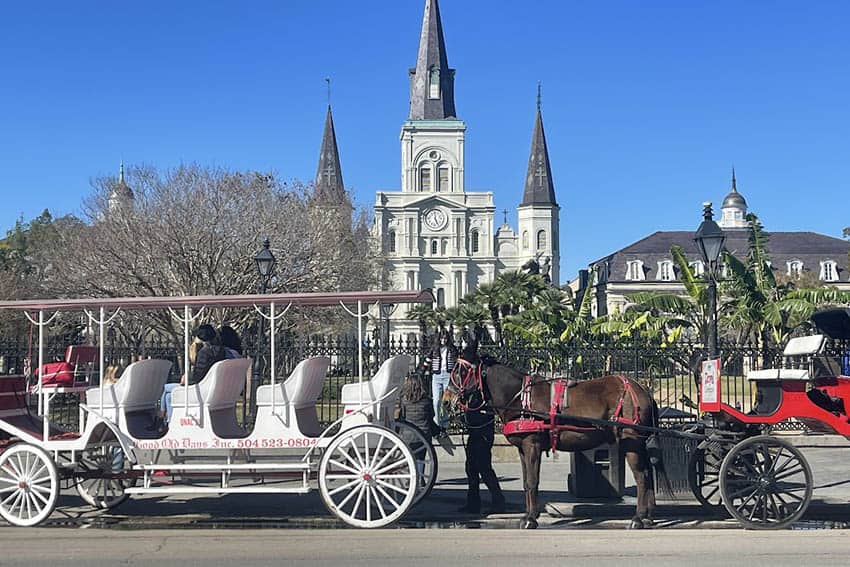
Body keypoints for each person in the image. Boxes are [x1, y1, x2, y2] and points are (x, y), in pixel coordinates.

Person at [160, 324, 226, 422]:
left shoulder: (204, 352)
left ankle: (161, 419)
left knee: (166, 388)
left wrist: (187, 377)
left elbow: (198, 374)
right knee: (169, 396)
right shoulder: (220, 351)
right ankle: (168, 422)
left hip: (200, 388)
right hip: (210, 385)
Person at [459, 402, 505, 515]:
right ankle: (473, 503)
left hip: (482, 436)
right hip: (475, 435)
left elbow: (479, 417)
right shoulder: (472, 398)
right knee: (471, 469)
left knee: (485, 469)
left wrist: (464, 419)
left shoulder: (483, 399)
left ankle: (498, 501)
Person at [428, 330, 456, 439]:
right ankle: (437, 424)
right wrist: (424, 370)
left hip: (448, 376)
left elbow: (456, 361)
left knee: (445, 402)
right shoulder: (435, 349)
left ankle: (444, 426)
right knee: (436, 401)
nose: (443, 340)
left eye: (445, 338)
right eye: (441, 338)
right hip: (437, 376)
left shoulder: (452, 349)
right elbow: (427, 359)